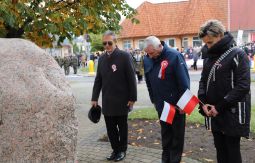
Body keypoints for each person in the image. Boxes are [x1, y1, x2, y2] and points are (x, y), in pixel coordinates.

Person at [197, 19, 251, 163]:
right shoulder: (208, 57)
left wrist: (219, 106)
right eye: (205, 43)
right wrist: (203, 103)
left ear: (220, 35)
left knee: (232, 152)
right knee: (220, 150)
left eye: (210, 42)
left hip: (231, 112)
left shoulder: (238, 54)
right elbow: (203, 81)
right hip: (214, 113)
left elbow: (243, 86)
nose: (207, 46)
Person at [91, 30, 137, 162]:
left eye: (109, 43)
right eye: (104, 43)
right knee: (110, 129)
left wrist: (132, 98)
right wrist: (94, 98)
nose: (106, 46)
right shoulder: (102, 58)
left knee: (122, 128)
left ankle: (122, 150)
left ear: (115, 42)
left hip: (123, 100)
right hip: (107, 101)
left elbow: (131, 79)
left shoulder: (124, 56)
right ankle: (115, 150)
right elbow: (98, 80)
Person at [143, 36, 190, 163]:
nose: (150, 56)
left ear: (159, 46)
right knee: (166, 136)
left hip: (176, 106)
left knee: (177, 138)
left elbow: (184, 82)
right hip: (162, 106)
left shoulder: (174, 56)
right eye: (147, 53)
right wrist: (153, 99)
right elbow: (148, 81)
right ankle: (165, 160)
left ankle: (174, 160)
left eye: (152, 53)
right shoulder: (147, 58)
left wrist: (184, 104)